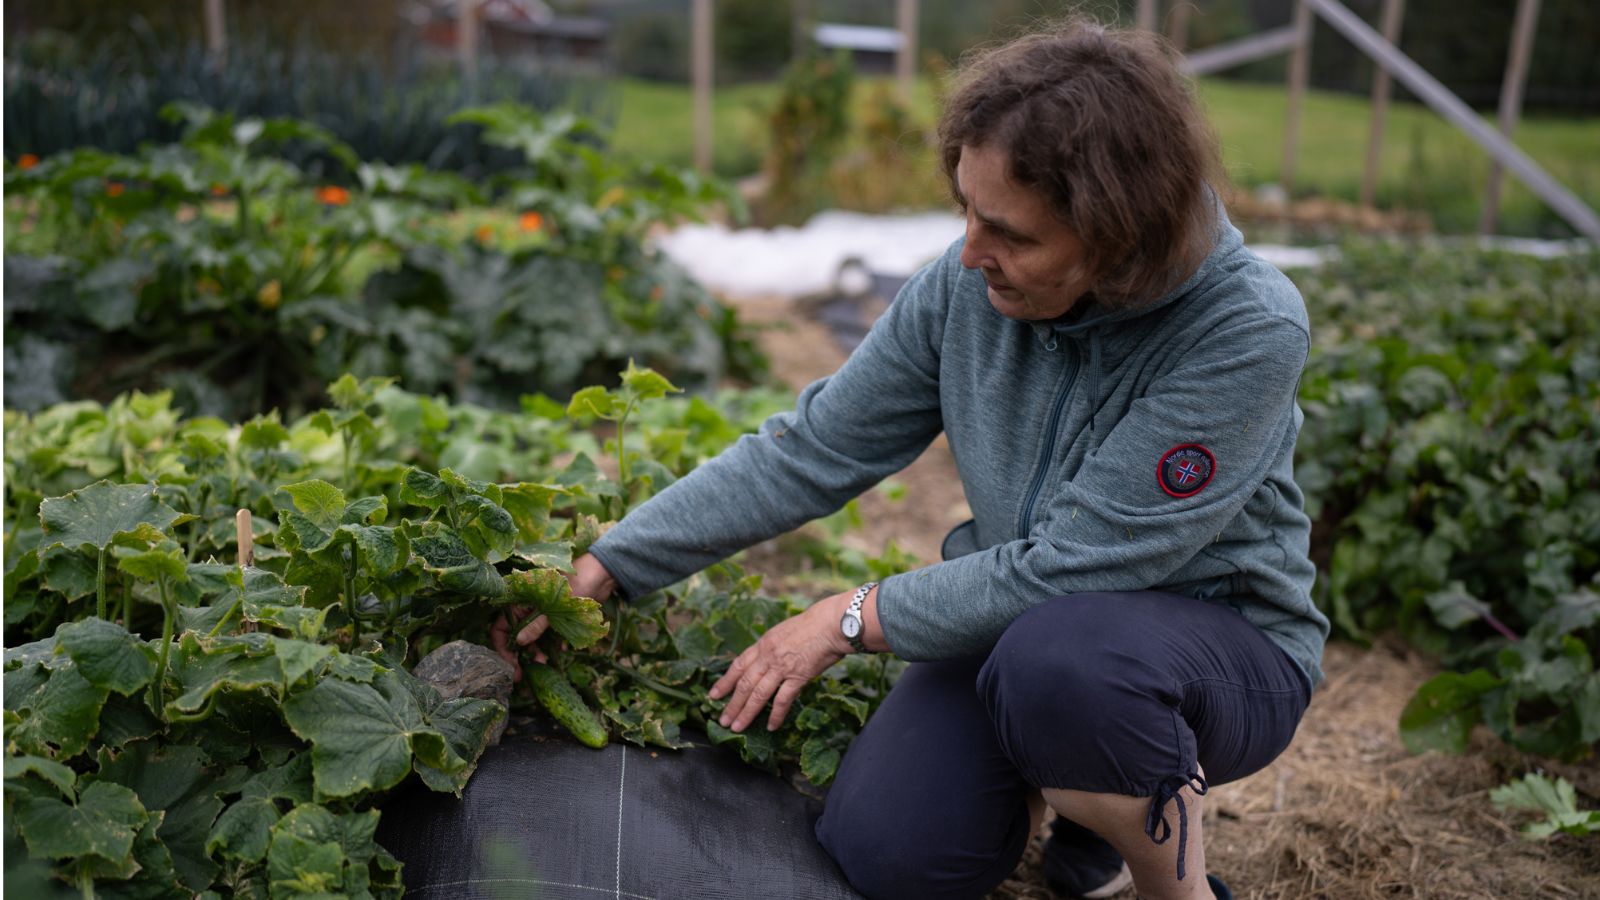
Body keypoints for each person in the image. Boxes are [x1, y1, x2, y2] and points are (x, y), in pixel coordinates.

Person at [493, 18, 1327, 900]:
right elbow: (815, 448)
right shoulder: (963, 288)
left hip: (1214, 649)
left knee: (1067, 666)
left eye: (1010, 233)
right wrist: (614, 561)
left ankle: (1166, 876)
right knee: (894, 856)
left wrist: (849, 617)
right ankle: (1076, 788)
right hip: (1026, 632)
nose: (969, 252)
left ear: (1117, 237)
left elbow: (1080, 568)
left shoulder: (1244, 329)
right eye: (966, 208)